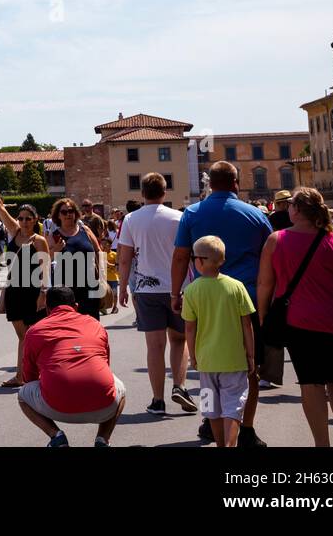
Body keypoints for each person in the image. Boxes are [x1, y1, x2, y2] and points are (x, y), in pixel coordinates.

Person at [170, 161, 273, 448]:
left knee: (206, 374)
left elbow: (180, 256)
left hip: (202, 302)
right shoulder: (256, 215)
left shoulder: (192, 214)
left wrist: (176, 293)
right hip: (246, 299)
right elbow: (269, 258)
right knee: (247, 370)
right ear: (236, 182)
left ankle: (210, 421)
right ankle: (246, 428)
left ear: (210, 184)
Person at [257, 187, 333, 447]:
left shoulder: (277, 240)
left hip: (299, 322)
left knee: (311, 384)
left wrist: (263, 314)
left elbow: (264, 283)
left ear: (295, 210)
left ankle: (322, 444)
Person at [117, 172, 194, 416]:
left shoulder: (130, 219)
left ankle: (158, 400)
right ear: (164, 192)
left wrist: (122, 288)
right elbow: (187, 254)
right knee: (179, 340)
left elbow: (125, 258)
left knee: (154, 347)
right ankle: (180, 386)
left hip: (146, 289)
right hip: (177, 288)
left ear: (142, 194)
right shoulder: (179, 217)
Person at [17, 288, 126, 447]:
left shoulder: (35, 330)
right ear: (75, 306)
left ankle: (56, 436)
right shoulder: (95, 325)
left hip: (57, 407)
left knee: (22, 395)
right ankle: (102, 439)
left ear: (48, 309)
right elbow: (105, 365)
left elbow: (29, 378)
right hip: (103, 404)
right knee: (120, 387)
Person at [181, 235, 255, 447]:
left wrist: (193, 356)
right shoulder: (236, 287)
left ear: (201, 260)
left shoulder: (192, 290)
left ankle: (221, 444)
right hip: (234, 359)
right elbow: (247, 325)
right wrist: (250, 354)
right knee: (233, 407)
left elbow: (189, 327)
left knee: (210, 406)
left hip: (206, 361)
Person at [0, 183, 50, 386]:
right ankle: (24, 375)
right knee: (23, 335)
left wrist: (43, 293)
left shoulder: (39, 241)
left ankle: (27, 374)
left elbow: (45, 270)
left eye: (28, 218)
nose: (24, 221)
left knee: (32, 334)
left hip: (33, 291)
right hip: (14, 291)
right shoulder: (15, 232)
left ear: (35, 219)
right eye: (21, 218)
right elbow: (0, 208)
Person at [46, 198, 103, 319]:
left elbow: (98, 251)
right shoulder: (53, 236)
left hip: (90, 286)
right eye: (64, 212)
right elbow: (44, 260)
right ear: (58, 215)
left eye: (71, 211)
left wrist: (102, 276)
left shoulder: (85, 230)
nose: (68, 214)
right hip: (66, 291)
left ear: (76, 213)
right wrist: (55, 250)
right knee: (70, 325)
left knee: (91, 323)